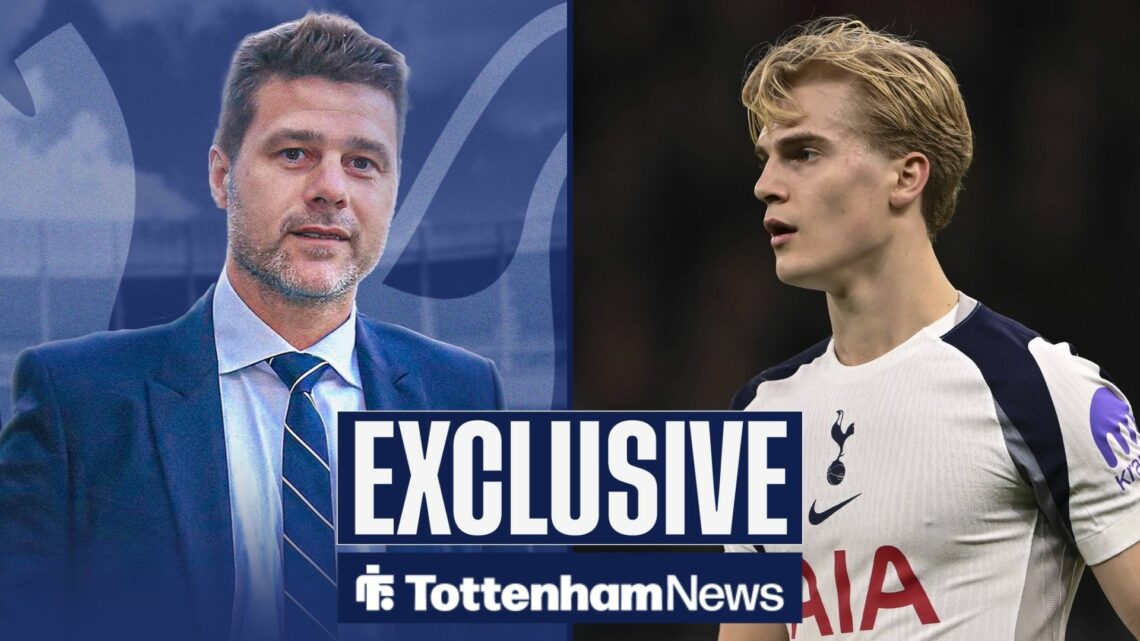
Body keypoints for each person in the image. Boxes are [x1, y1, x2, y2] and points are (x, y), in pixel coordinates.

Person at [0, 13, 503, 641]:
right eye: (295, 153)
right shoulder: (77, 403)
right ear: (221, 175)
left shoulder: (464, 395)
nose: (331, 189)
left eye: (363, 163)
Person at [721, 17, 1140, 641]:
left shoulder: (1042, 390)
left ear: (906, 176)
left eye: (803, 153)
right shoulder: (760, 413)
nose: (765, 186)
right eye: (766, 160)